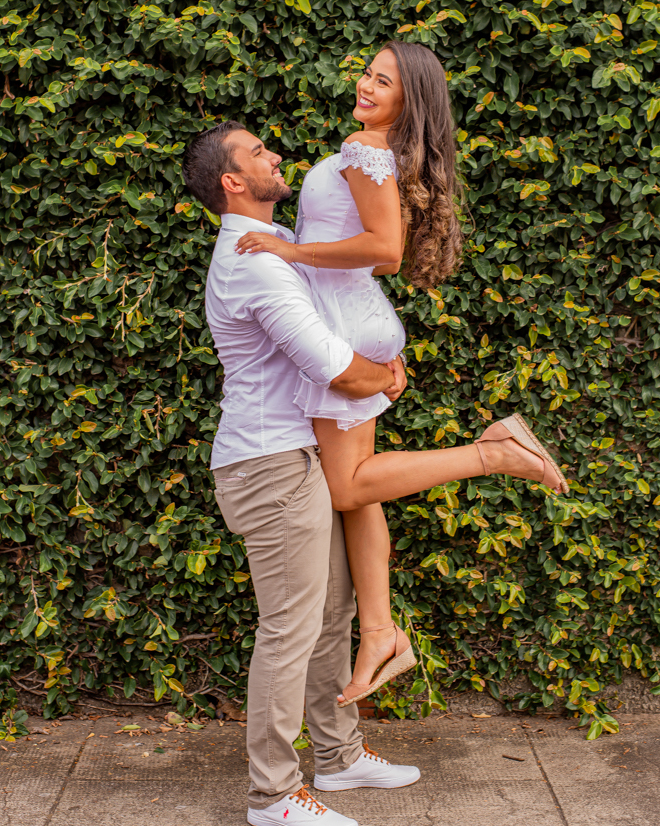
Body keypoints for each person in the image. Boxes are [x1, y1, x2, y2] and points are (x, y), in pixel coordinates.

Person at [234, 41, 570, 709]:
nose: (365, 85)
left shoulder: (364, 149)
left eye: (383, 82)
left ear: (409, 101)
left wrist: (290, 250)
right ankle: (381, 633)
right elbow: (382, 255)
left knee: (348, 485)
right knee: (362, 491)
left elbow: (384, 249)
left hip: (342, 324)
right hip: (355, 316)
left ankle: (493, 453)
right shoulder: (381, 152)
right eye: (367, 72)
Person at [182, 121, 421, 826]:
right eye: (258, 152)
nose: (275, 155)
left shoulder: (276, 243)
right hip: (268, 465)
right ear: (232, 182)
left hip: (294, 458)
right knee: (289, 627)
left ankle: (338, 756)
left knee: (331, 613)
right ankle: (273, 791)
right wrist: (387, 378)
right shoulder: (253, 263)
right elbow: (334, 367)